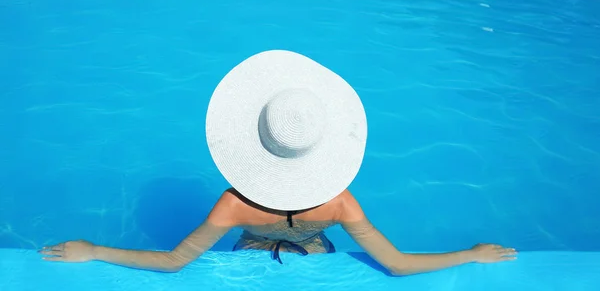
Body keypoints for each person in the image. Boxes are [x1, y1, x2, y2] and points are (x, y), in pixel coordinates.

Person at [40, 50, 517, 275]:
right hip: (317, 253)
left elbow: (173, 262)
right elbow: (394, 265)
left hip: (248, 256)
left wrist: (97, 250)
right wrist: (471, 254)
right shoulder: (339, 202)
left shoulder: (233, 207)